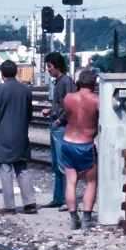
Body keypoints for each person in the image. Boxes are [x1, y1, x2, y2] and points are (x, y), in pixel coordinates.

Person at [0, 59, 37, 215]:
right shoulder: (26, 90)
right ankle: (30, 203)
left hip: (3, 136)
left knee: (5, 170)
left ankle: (9, 206)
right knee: (22, 168)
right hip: (21, 135)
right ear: (16, 72)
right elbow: (29, 115)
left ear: (2, 74)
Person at [62, 67, 100, 230]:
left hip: (67, 142)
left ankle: (73, 219)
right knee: (91, 182)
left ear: (78, 83)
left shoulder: (68, 98)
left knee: (71, 182)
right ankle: (86, 219)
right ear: (94, 84)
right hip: (84, 145)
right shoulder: (97, 100)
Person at [40, 52, 74, 208]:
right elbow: (61, 104)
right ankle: (58, 198)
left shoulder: (67, 82)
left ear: (57, 66)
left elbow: (70, 105)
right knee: (56, 164)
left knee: (63, 164)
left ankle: (67, 200)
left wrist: (60, 120)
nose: (48, 69)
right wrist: (51, 111)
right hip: (55, 124)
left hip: (61, 127)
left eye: (49, 66)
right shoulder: (59, 82)